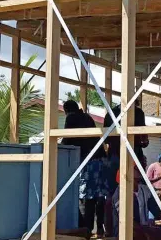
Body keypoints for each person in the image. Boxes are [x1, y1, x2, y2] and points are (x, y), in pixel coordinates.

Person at [61, 100, 108, 237]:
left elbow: (67, 140)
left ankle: (85, 231)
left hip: (87, 161)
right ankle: (100, 229)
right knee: (99, 196)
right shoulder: (87, 117)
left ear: (67, 110)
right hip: (99, 159)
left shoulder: (71, 118)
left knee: (85, 197)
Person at [103, 100, 150, 194]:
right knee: (135, 188)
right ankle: (132, 207)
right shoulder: (138, 113)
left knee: (112, 187)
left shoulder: (111, 113)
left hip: (114, 154)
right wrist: (144, 142)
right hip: (133, 154)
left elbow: (106, 138)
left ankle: (112, 207)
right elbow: (143, 137)